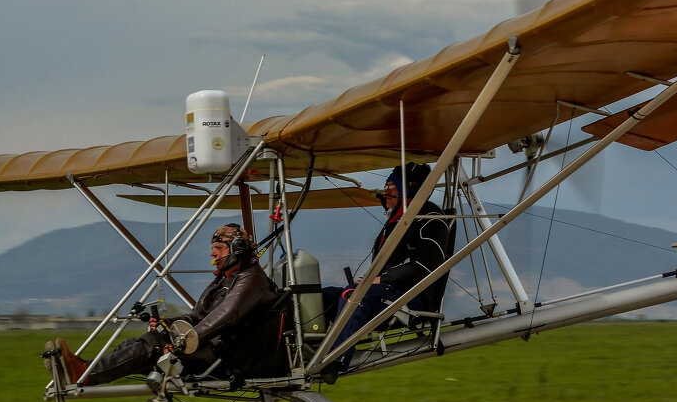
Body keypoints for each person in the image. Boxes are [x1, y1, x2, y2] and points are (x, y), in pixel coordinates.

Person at [45, 223, 279, 386]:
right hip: (208, 348)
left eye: (219, 249)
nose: (213, 253)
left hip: (225, 357)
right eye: (212, 249)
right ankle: (81, 368)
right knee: (135, 343)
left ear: (237, 249)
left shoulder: (252, 281)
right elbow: (197, 316)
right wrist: (171, 324)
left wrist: (181, 342)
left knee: (154, 344)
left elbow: (227, 316)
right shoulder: (225, 280)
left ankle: (83, 374)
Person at [323, 162, 448, 370]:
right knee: (325, 296)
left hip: (412, 297)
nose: (386, 191)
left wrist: (382, 279)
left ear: (410, 188)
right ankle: (306, 351)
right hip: (387, 291)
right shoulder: (396, 220)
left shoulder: (430, 218)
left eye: (392, 186)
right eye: (387, 186)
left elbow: (425, 267)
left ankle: (335, 360)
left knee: (353, 295)